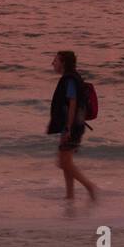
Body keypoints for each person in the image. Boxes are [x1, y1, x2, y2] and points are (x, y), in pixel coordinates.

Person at [48, 50, 98, 201]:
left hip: (72, 126)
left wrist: (68, 127)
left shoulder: (69, 79)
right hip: (75, 125)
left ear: (63, 63)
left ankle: (89, 186)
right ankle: (70, 195)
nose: (52, 63)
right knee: (66, 161)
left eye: (55, 60)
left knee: (62, 162)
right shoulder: (72, 77)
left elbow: (72, 103)